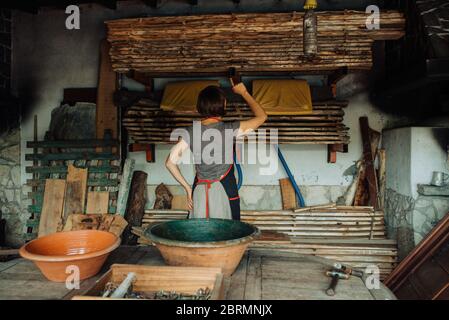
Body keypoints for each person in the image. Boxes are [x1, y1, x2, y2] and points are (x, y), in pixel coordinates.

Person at [165, 82, 267, 220]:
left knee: (199, 235)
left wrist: (188, 189)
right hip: (225, 190)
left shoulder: (191, 132)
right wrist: (244, 93)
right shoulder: (230, 129)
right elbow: (262, 117)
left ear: (199, 107)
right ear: (223, 105)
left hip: (199, 191)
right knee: (228, 235)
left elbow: (169, 163)